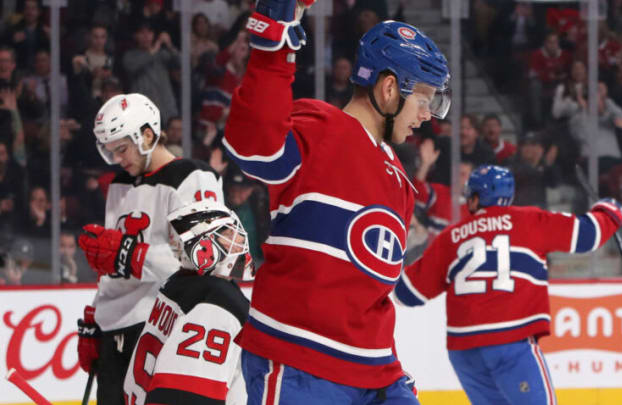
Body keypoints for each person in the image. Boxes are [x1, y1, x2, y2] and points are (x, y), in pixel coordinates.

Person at [223, 1, 450, 403]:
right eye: (425, 98)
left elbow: (371, 288)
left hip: (376, 372)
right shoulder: (321, 127)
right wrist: (275, 43)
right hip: (301, 363)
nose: (428, 115)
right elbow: (254, 147)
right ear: (390, 87)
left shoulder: (399, 177)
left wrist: (388, 367)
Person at [393, 165, 622, 405]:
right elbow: (588, 235)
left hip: (464, 352)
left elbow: (406, 294)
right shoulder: (529, 220)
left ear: (474, 198)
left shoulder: (451, 237)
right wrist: (610, 210)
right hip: (510, 343)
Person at [76, 93, 224, 405]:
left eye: (122, 148)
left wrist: (133, 255)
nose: (118, 158)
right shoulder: (120, 184)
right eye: (110, 151)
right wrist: (95, 316)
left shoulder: (193, 177)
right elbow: (113, 264)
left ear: (147, 134)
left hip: (161, 327)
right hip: (115, 331)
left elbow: (210, 262)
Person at [122, 200, 251, 405]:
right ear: (206, 246)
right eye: (227, 236)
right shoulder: (216, 302)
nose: (239, 241)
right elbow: (186, 394)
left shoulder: (179, 285)